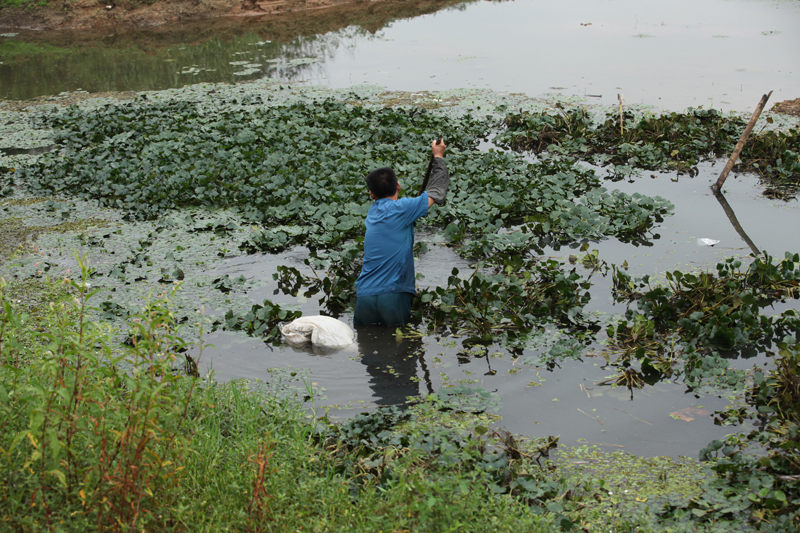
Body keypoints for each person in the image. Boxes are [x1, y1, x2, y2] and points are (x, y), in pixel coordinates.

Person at [354, 139, 449, 326]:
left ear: (371, 194)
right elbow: (437, 190)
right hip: (393, 295)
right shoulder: (403, 208)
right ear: (398, 186)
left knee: (367, 347)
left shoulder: (373, 212)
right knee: (398, 349)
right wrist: (438, 156)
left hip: (364, 296)